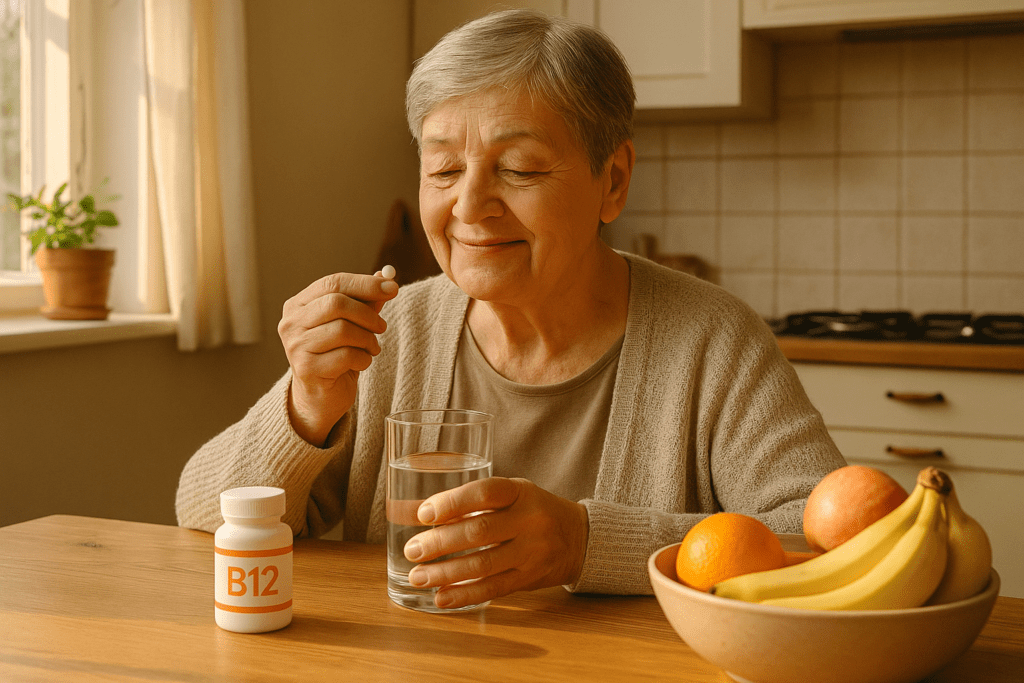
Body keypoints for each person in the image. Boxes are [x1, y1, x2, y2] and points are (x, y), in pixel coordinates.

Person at [176, 9, 845, 610]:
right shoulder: (394, 332)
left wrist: (584, 542)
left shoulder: (712, 341)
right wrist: (305, 405)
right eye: (442, 170)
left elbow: (826, 546)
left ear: (611, 182)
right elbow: (201, 510)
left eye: (520, 168)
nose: (469, 206)